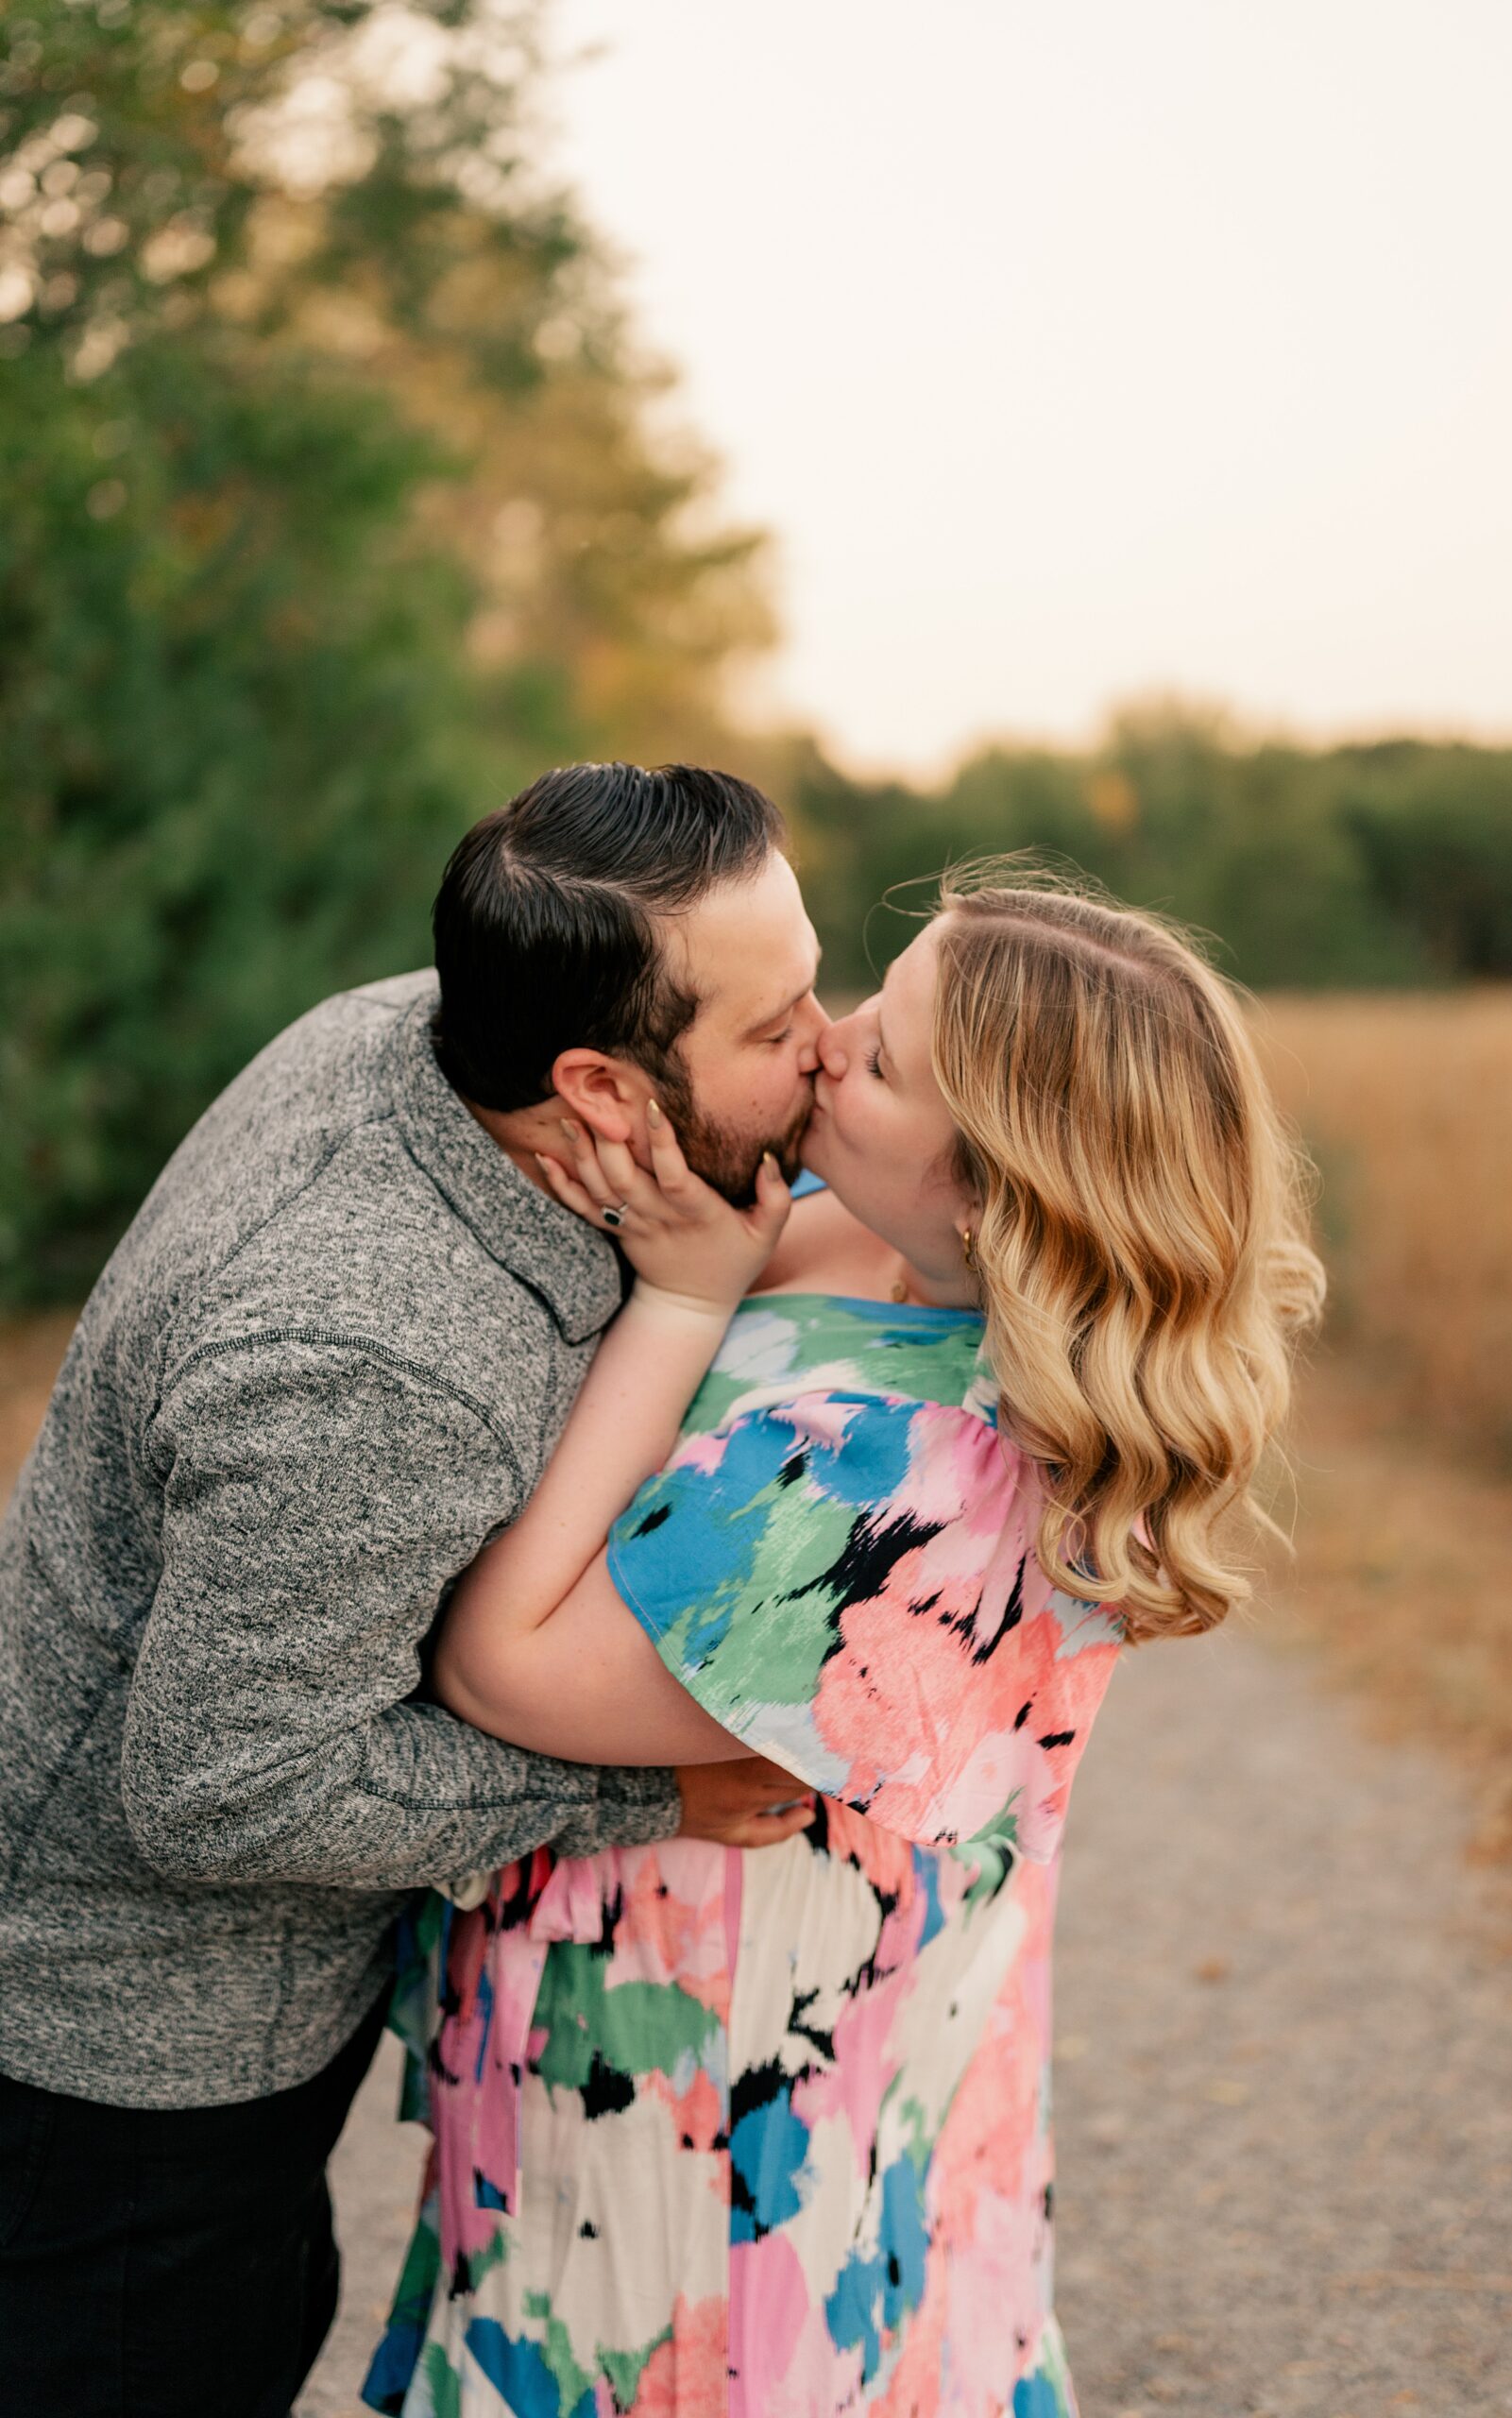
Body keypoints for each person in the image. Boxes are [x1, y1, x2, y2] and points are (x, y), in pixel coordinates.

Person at [365, 874, 1326, 2416]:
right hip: (717, 1989)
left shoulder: (920, 1478)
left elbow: (499, 1668)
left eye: (882, 1058)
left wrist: (684, 1300)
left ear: (997, 1196)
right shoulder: (872, 1242)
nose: (823, 1040)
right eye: (868, 998)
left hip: (721, 2076)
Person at [0, 763, 827, 2418]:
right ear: (600, 1084)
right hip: (131, 2069)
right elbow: (224, 1794)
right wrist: (640, 1789)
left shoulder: (421, 1032)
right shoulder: (367, 1357)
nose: (831, 1041)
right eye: (779, 1024)